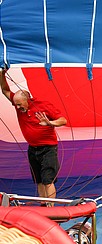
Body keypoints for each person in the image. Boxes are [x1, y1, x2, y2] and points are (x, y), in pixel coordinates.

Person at [0, 67, 67, 206]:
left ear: (28, 100)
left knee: (48, 180)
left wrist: (50, 123)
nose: (17, 107)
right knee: (39, 180)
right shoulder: (19, 105)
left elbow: (63, 120)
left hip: (48, 149)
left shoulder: (43, 106)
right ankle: (43, 205)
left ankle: (51, 209)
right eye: (16, 105)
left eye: (19, 105)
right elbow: (5, 90)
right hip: (33, 149)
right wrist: (2, 75)